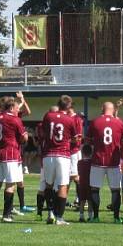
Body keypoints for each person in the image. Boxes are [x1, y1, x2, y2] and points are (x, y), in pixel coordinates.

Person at [41, 95, 79, 225]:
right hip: (62, 155)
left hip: (48, 154)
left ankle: (50, 213)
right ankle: (59, 217)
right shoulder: (69, 119)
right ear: (68, 106)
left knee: (49, 185)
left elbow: (44, 132)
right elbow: (75, 138)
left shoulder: (48, 116)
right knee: (62, 185)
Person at [87, 101, 123, 223]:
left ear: (101, 108)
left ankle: (96, 217)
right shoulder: (119, 123)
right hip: (113, 161)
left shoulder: (95, 121)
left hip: (98, 160)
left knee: (95, 189)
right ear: (113, 110)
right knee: (115, 190)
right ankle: (116, 217)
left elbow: (88, 140)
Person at [0, 96, 28, 222]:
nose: (18, 110)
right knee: (10, 184)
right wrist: (26, 136)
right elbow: (23, 138)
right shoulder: (15, 119)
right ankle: (7, 214)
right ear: (11, 107)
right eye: (17, 108)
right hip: (11, 153)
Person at [76, 143, 93, 222]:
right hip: (90, 184)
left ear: (82, 152)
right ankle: (90, 216)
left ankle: (81, 216)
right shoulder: (92, 163)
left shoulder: (79, 162)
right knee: (90, 201)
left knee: (82, 201)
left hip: (81, 184)